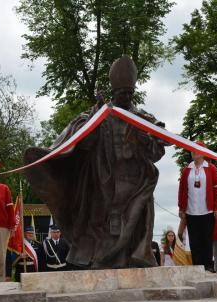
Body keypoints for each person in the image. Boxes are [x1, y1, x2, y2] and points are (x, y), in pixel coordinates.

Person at [24, 56, 167, 269]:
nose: (126, 96)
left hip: (135, 182)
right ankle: (100, 259)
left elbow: (157, 151)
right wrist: (95, 120)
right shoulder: (98, 113)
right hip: (104, 179)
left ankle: (133, 257)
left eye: (130, 93)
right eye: (122, 93)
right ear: (113, 92)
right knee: (101, 224)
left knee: (134, 219)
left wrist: (147, 137)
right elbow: (81, 142)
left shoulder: (143, 118)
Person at [178, 142, 217, 272]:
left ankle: (209, 266)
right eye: (192, 150)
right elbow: (182, 190)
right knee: (194, 240)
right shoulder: (187, 169)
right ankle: (197, 267)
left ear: (203, 153)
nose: (193, 152)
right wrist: (181, 208)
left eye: (196, 150)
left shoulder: (211, 168)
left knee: (207, 239)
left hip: (207, 210)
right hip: (191, 211)